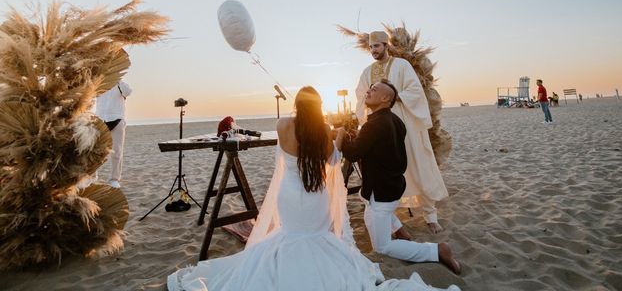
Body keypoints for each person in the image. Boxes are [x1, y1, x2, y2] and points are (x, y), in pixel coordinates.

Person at [167, 87, 461, 291]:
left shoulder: (283, 124)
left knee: (289, 236)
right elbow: (333, 161)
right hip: (316, 195)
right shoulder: (322, 130)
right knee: (318, 238)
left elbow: (282, 158)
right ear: (318, 106)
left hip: (290, 195)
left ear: (296, 104)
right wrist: (340, 136)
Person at [337, 80, 460, 272]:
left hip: (381, 192)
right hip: (393, 186)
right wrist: (357, 138)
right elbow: (376, 149)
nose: (368, 91)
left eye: (374, 89)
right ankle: (401, 231)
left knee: (382, 246)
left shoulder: (373, 125)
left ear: (386, 98)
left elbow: (353, 154)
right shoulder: (396, 121)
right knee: (373, 210)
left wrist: (342, 137)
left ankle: (437, 251)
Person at [355, 31, 448, 233]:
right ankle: (390, 217)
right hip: (380, 127)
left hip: (405, 123)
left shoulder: (401, 65)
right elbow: (361, 95)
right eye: (371, 47)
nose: (373, 51)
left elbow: (415, 90)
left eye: (377, 46)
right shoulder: (366, 71)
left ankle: (430, 215)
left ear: (386, 46)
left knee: (417, 164)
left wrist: (392, 98)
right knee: (386, 168)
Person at [95, 80, 132, 188]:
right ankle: (93, 176)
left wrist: (118, 80)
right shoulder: (101, 82)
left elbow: (128, 92)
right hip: (100, 119)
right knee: (96, 150)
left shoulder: (121, 83)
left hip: (117, 118)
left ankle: (114, 179)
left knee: (117, 151)